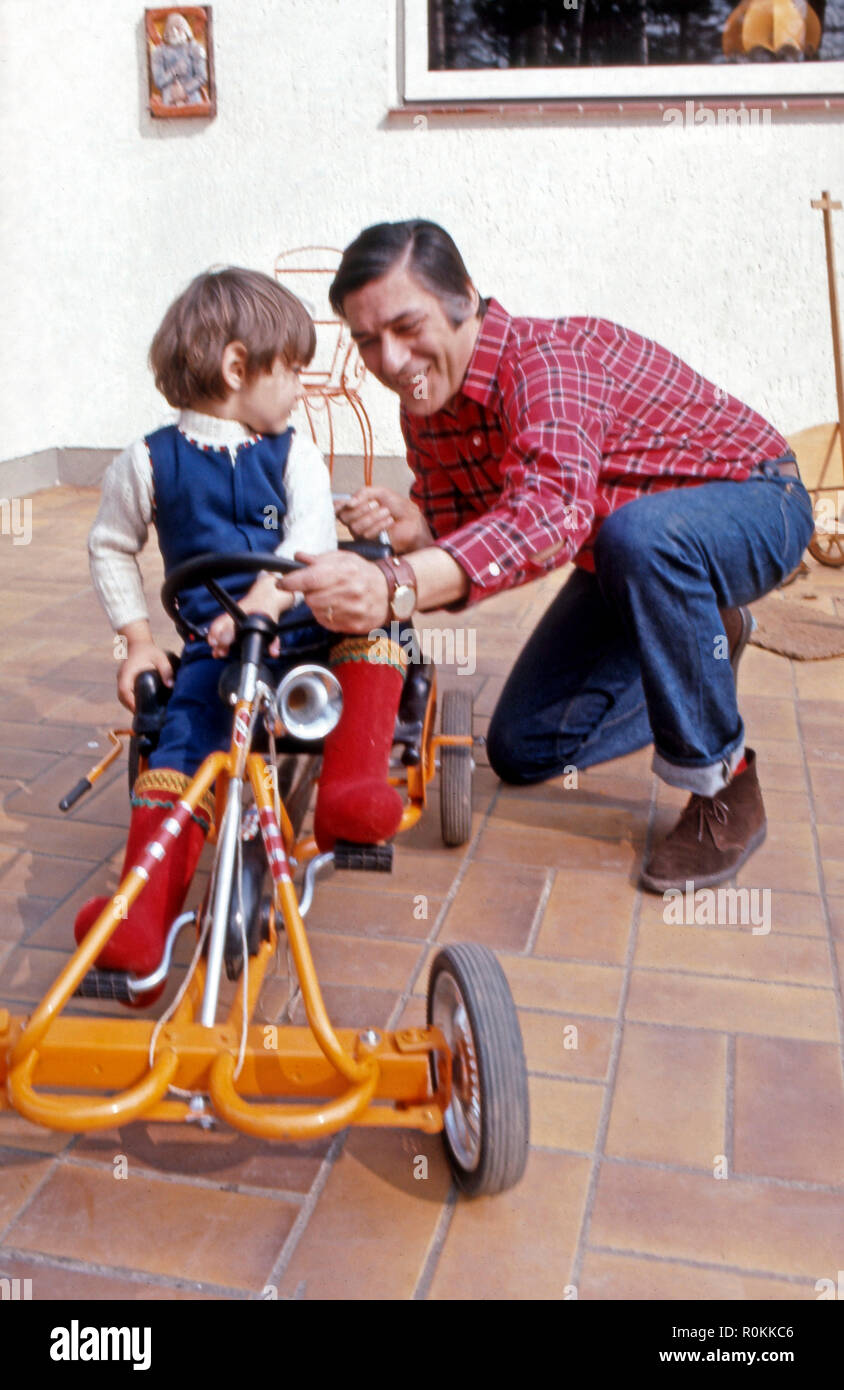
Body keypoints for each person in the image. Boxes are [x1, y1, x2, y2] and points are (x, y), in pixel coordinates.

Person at [277, 219, 815, 892]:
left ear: (463, 298)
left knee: (639, 538)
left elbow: (547, 519)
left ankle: (724, 786)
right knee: (523, 748)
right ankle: (700, 636)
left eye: (406, 326)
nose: (389, 360)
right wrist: (417, 530)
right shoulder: (428, 406)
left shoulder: (548, 361)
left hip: (755, 500)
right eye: (367, 341)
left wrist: (393, 584)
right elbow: (478, 524)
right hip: (628, 556)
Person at [76, 267, 405, 988]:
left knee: (378, 628)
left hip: (302, 626)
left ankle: (350, 792)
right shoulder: (148, 461)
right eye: (292, 371)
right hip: (211, 652)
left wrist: (266, 594)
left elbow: (311, 530)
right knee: (180, 744)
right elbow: (109, 543)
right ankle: (140, 921)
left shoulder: (296, 454)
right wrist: (136, 641)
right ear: (236, 367)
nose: (299, 388)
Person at [150, 12, 208, 108]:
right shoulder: (159, 52)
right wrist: (175, 71)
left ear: (186, 30)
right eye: (170, 29)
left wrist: (184, 90)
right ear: (166, 32)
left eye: (178, 28)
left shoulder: (195, 49)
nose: (174, 32)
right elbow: (159, 81)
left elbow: (202, 77)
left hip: (192, 100)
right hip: (169, 101)